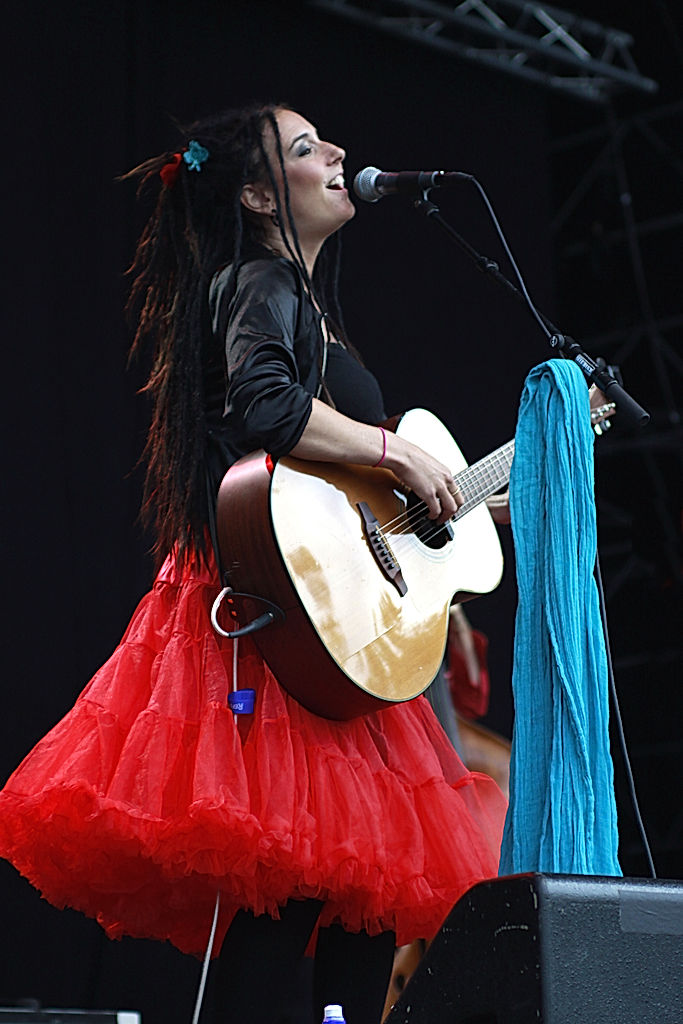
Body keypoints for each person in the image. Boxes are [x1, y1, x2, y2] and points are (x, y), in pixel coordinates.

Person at [0, 102, 510, 1024]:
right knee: (298, 892)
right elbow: (265, 408)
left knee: (360, 896)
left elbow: (332, 474)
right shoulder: (255, 279)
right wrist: (397, 453)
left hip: (334, 624)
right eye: (308, 148)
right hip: (277, 622)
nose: (339, 153)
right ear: (255, 195)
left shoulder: (305, 303)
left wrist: (464, 491)